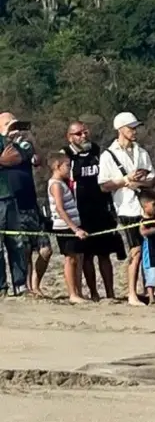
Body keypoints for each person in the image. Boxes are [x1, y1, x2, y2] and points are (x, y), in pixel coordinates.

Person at [97, 112, 155, 306]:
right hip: (125, 207)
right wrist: (125, 180)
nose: (134, 131)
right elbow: (103, 185)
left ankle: (146, 291)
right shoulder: (108, 155)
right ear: (120, 129)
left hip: (144, 206)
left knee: (146, 250)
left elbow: (153, 178)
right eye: (131, 128)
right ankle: (131, 293)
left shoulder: (141, 152)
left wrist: (141, 181)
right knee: (135, 250)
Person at [61, 122, 123, 301]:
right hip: (81, 212)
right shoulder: (66, 155)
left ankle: (110, 293)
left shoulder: (97, 152)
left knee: (104, 254)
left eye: (85, 132)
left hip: (101, 210)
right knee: (86, 256)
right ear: (70, 137)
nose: (83, 136)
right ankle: (93, 293)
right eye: (78, 134)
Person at [0, 112, 43, 297]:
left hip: (15, 199)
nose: (14, 129)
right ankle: (1, 286)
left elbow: (21, 157)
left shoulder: (23, 142)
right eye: (9, 125)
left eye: (16, 124)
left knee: (17, 243)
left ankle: (20, 284)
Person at [46, 152, 90, 304]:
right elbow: (59, 208)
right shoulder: (56, 184)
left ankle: (78, 291)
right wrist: (75, 229)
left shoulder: (63, 183)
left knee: (77, 258)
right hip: (64, 228)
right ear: (57, 166)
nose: (69, 169)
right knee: (70, 259)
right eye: (67, 166)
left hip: (72, 226)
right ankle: (72, 293)